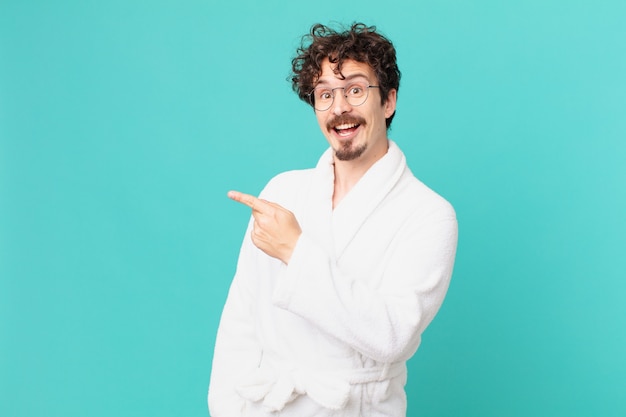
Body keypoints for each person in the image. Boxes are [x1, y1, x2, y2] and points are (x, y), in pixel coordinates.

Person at [208, 22, 458, 417]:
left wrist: (296, 250)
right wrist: (225, 408)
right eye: (325, 94)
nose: (339, 107)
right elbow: (241, 321)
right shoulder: (282, 192)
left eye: (355, 90)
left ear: (388, 101)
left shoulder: (428, 215)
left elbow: (393, 334)